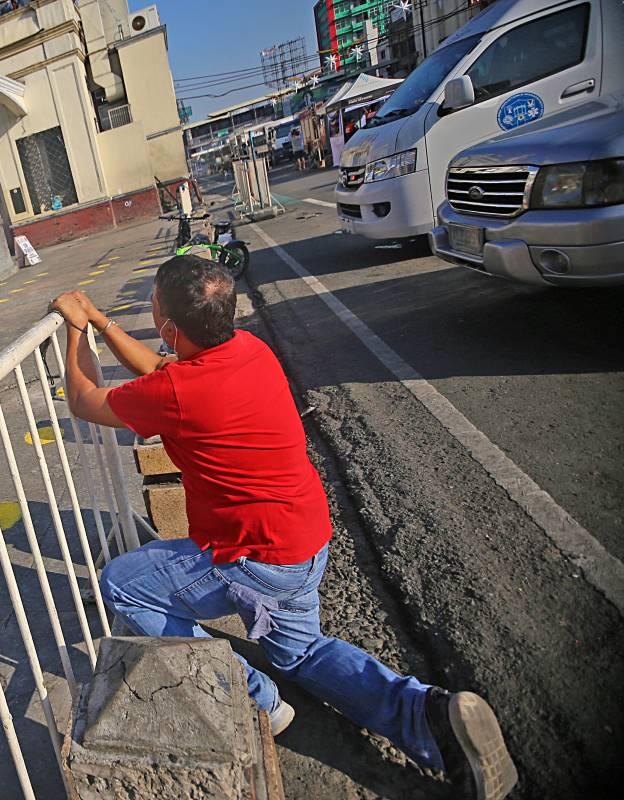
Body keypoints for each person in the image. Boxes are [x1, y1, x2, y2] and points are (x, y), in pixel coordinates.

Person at [48, 257, 517, 800]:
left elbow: (84, 400)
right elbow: (159, 371)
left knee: (122, 583)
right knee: (301, 651)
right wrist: (103, 321)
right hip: (305, 540)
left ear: (170, 326)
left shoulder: (179, 391)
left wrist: (74, 325)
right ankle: (430, 718)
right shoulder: (247, 350)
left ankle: (254, 699)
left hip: (253, 559)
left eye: (154, 304)